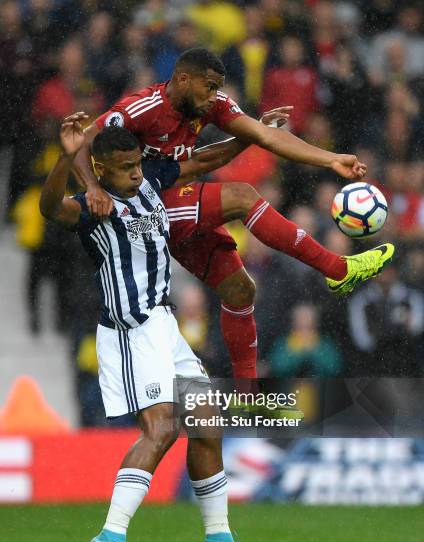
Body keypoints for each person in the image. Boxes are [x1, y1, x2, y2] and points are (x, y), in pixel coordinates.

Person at [74, 47, 395, 379]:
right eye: (209, 86)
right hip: (140, 210)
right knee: (242, 196)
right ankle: (336, 268)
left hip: (169, 207)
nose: (214, 96)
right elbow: (82, 142)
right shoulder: (144, 107)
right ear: (183, 79)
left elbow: (261, 137)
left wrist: (330, 159)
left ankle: (246, 393)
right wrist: (93, 188)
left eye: (218, 87)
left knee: (241, 290)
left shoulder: (211, 106)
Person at [40, 113, 264, 542]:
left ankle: (219, 541)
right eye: (124, 168)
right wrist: (65, 158)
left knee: (205, 423)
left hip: (164, 324)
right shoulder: (93, 206)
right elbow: (49, 209)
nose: (136, 173)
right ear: (101, 170)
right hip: (130, 328)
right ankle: (110, 537)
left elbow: (205, 159)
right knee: (162, 429)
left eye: (137, 163)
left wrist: (257, 131)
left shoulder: (149, 181)